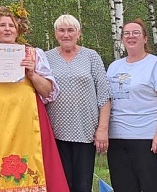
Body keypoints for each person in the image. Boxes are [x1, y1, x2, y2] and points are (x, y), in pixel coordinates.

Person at [0, 5, 68, 192]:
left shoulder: (34, 54)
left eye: (11, 25)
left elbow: (48, 92)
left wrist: (33, 74)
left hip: (29, 122)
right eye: (2, 25)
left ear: (18, 29)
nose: (7, 29)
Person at [106, 19, 157, 192]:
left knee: (153, 187)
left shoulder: (156, 64)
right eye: (127, 33)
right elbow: (107, 100)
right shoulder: (114, 67)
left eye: (136, 33)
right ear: (122, 39)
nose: (131, 36)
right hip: (118, 140)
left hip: (150, 139)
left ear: (145, 39)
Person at [45, 14, 111, 192]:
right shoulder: (46, 57)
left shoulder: (91, 57)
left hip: (85, 132)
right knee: (59, 185)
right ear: (55, 33)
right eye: (61, 30)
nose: (66, 35)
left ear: (79, 33)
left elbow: (104, 95)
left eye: (70, 30)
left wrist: (102, 129)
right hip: (55, 133)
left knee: (82, 185)